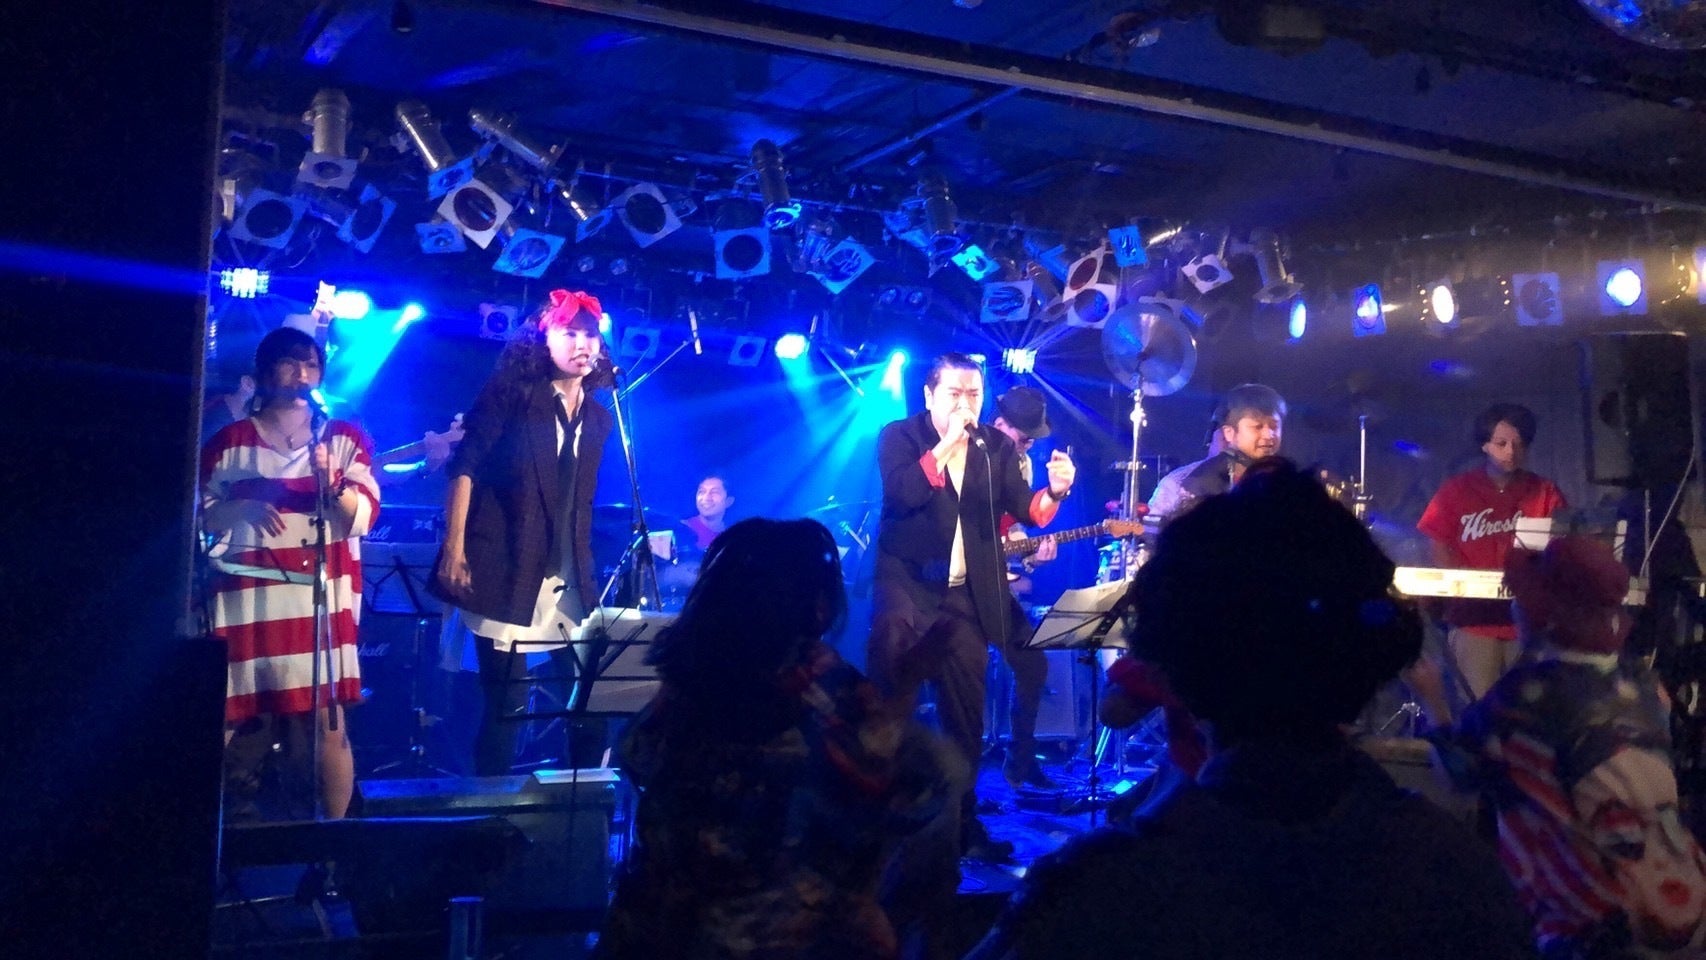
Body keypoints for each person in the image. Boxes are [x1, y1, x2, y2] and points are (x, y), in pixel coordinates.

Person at [967, 460, 1533, 960]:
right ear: (1369, 653)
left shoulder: (1095, 897)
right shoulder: (1459, 874)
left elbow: (1118, 711)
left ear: (1173, 659)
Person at [597, 518, 956, 960]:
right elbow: (911, 794)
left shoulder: (691, 680)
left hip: (652, 933)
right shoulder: (823, 684)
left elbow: (636, 754)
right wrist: (909, 682)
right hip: (769, 939)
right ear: (817, 606)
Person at [868, 353, 1076, 859]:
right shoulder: (900, 435)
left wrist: (1056, 491)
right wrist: (947, 445)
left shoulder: (995, 447)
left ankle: (962, 826)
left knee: (965, 715)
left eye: (974, 395)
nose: (966, 405)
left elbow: (1028, 509)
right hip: (907, 582)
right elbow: (904, 493)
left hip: (964, 592)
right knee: (889, 692)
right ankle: (877, 816)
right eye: (955, 394)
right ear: (929, 396)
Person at [431, 288, 614, 776]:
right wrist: (454, 548)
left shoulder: (599, 417)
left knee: (590, 705)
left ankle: (580, 806)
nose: (582, 344)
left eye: (590, 334)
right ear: (544, 339)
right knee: (507, 708)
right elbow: (464, 467)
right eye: (570, 332)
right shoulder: (513, 395)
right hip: (505, 566)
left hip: (565, 576)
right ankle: (491, 811)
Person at [201, 326, 379, 819]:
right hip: (246, 598)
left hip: (318, 601)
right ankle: (212, 839)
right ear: (265, 371)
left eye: (310, 364)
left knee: (328, 724)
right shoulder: (230, 442)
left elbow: (362, 516)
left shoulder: (342, 439)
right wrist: (236, 509)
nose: (302, 373)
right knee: (229, 718)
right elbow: (196, 514)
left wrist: (330, 480)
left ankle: (332, 846)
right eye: (289, 362)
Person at [1418, 402, 1567, 700]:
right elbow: (1437, 540)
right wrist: (1458, 583)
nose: (1511, 451)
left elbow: (1562, 543)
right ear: (1485, 445)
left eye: (1518, 444)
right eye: (1501, 443)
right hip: (1472, 621)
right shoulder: (1457, 489)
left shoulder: (1544, 491)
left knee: (1524, 708)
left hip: (1526, 623)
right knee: (1476, 707)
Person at [987, 385, 1060, 788]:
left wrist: (1032, 556)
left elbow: (1013, 528)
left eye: (1032, 438)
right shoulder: (971, 456)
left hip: (993, 583)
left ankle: (1020, 761)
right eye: (1022, 435)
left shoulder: (1024, 464)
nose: (1027, 443)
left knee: (1033, 664)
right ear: (999, 423)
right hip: (952, 581)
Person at [1172, 382, 1285, 505]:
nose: (1269, 435)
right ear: (1229, 433)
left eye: (1274, 426)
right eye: (1257, 427)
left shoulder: (1286, 478)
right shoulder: (1203, 484)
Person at [1146, 399, 1227, 518]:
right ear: (1210, 438)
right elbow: (1154, 525)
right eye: (1225, 437)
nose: (1232, 442)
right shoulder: (1175, 483)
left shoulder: (1254, 481)